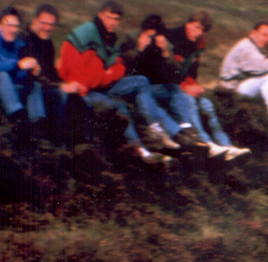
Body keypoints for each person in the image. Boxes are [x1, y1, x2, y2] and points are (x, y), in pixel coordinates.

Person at [57, 1, 180, 162]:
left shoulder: (111, 37)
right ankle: (141, 151)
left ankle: (153, 128)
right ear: (100, 14)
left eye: (116, 19)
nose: (112, 22)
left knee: (141, 81)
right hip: (84, 90)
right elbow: (75, 72)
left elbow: (118, 67)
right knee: (119, 107)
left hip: (102, 85)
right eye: (109, 18)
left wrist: (107, 74)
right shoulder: (85, 33)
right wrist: (104, 75)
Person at [165, 10, 249, 160]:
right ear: (188, 23)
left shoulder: (196, 44)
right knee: (190, 102)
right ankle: (207, 144)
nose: (198, 33)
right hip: (168, 86)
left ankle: (227, 146)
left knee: (207, 105)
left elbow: (191, 72)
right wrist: (186, 87)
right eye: (196, 27)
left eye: (202, 30)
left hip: (183, 85)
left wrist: (195, 86)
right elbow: (165, 71)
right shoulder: (172, 38)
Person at [120, 14, 202, 149]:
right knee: (153, 104)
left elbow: (176, 72)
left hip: (151, 86)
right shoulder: (131, 38)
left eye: (153, 35)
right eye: (148, 33)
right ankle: (177, 134)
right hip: (134, 85)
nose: (150, 38)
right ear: (142, 30)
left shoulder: (160, 43)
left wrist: (165, 52)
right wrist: (139, 49)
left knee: (175, 89)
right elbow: (125, 65)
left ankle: (187, 128)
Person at [20, 4, 88, 143]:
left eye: (51, 24)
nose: (47, 28)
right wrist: (59, 86)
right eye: (44, 23)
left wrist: (66, 84)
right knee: (60, 94)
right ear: (34, 20)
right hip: (29, 88)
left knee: (77, 97)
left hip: (45, 87)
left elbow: (51, 72)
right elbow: (34, 76)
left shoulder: (48, 43)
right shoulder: (24, 40)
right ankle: (54, 141)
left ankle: (79, 143)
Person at [219, 21, 268, 137]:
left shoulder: (253, 47)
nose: (267, 39)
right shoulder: (246, 46)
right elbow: (259, 67)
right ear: (253, 33)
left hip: (243, 85)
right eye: (264, 34)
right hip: (231, 88)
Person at [0, 6, 45, 130]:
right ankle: (17, 117)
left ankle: (37, 124)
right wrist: (17, 65)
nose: (13, 30)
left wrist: (30, 73)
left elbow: (18, 77)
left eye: (16, 26)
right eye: (8, 25)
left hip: (8, 89)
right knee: (2, 75)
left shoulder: (18, 44)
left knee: (35, 84)